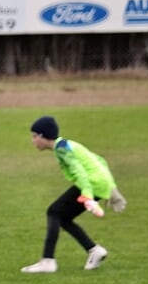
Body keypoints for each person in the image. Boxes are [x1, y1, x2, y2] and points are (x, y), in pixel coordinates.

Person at [21, 115, 127, 273]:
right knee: (63, 218)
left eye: (34, 136)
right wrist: (112, 189)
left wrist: (88, 195)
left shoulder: (62, 149)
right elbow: (99, 160)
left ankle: (48, 261)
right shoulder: (66, 144)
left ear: (43, 136)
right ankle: (94, 250)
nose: (33, 141)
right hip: (98, 184)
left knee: (53, 212)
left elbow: (80, 172)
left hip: (90, 184)